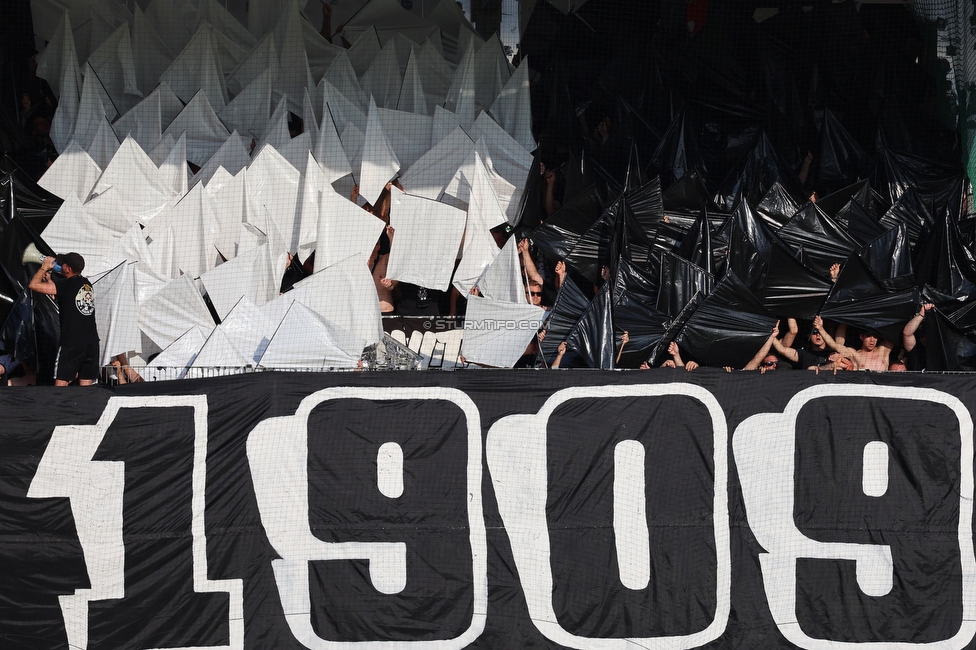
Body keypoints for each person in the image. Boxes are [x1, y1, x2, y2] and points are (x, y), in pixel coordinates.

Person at [28, 252, 100, 386]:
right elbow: (66, 298)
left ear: (68, 268)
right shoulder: (86, 284)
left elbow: (33, 285)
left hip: (72, 342)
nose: (61, 266)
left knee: (61, 384)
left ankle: (56, 407)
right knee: (86, 384)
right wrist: (50, 282)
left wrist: (44, 267)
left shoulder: (66, 285)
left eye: (63, 264)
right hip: (91, 342)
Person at [813, 315, 892, 372]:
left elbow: (895, 328)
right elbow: (834, 345)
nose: (872, 340)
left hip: (883, 390)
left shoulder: (883, 350)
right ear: (861, 337)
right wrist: (821, 329)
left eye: (875, 336)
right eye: (868, 336)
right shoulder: (854, 354)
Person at [902, 303, 933, 371]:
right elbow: (907, 333)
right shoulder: (916, 351)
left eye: (927, 336)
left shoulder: (943, 348)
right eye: (921, 336)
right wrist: (921, 315)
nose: (924, 339)